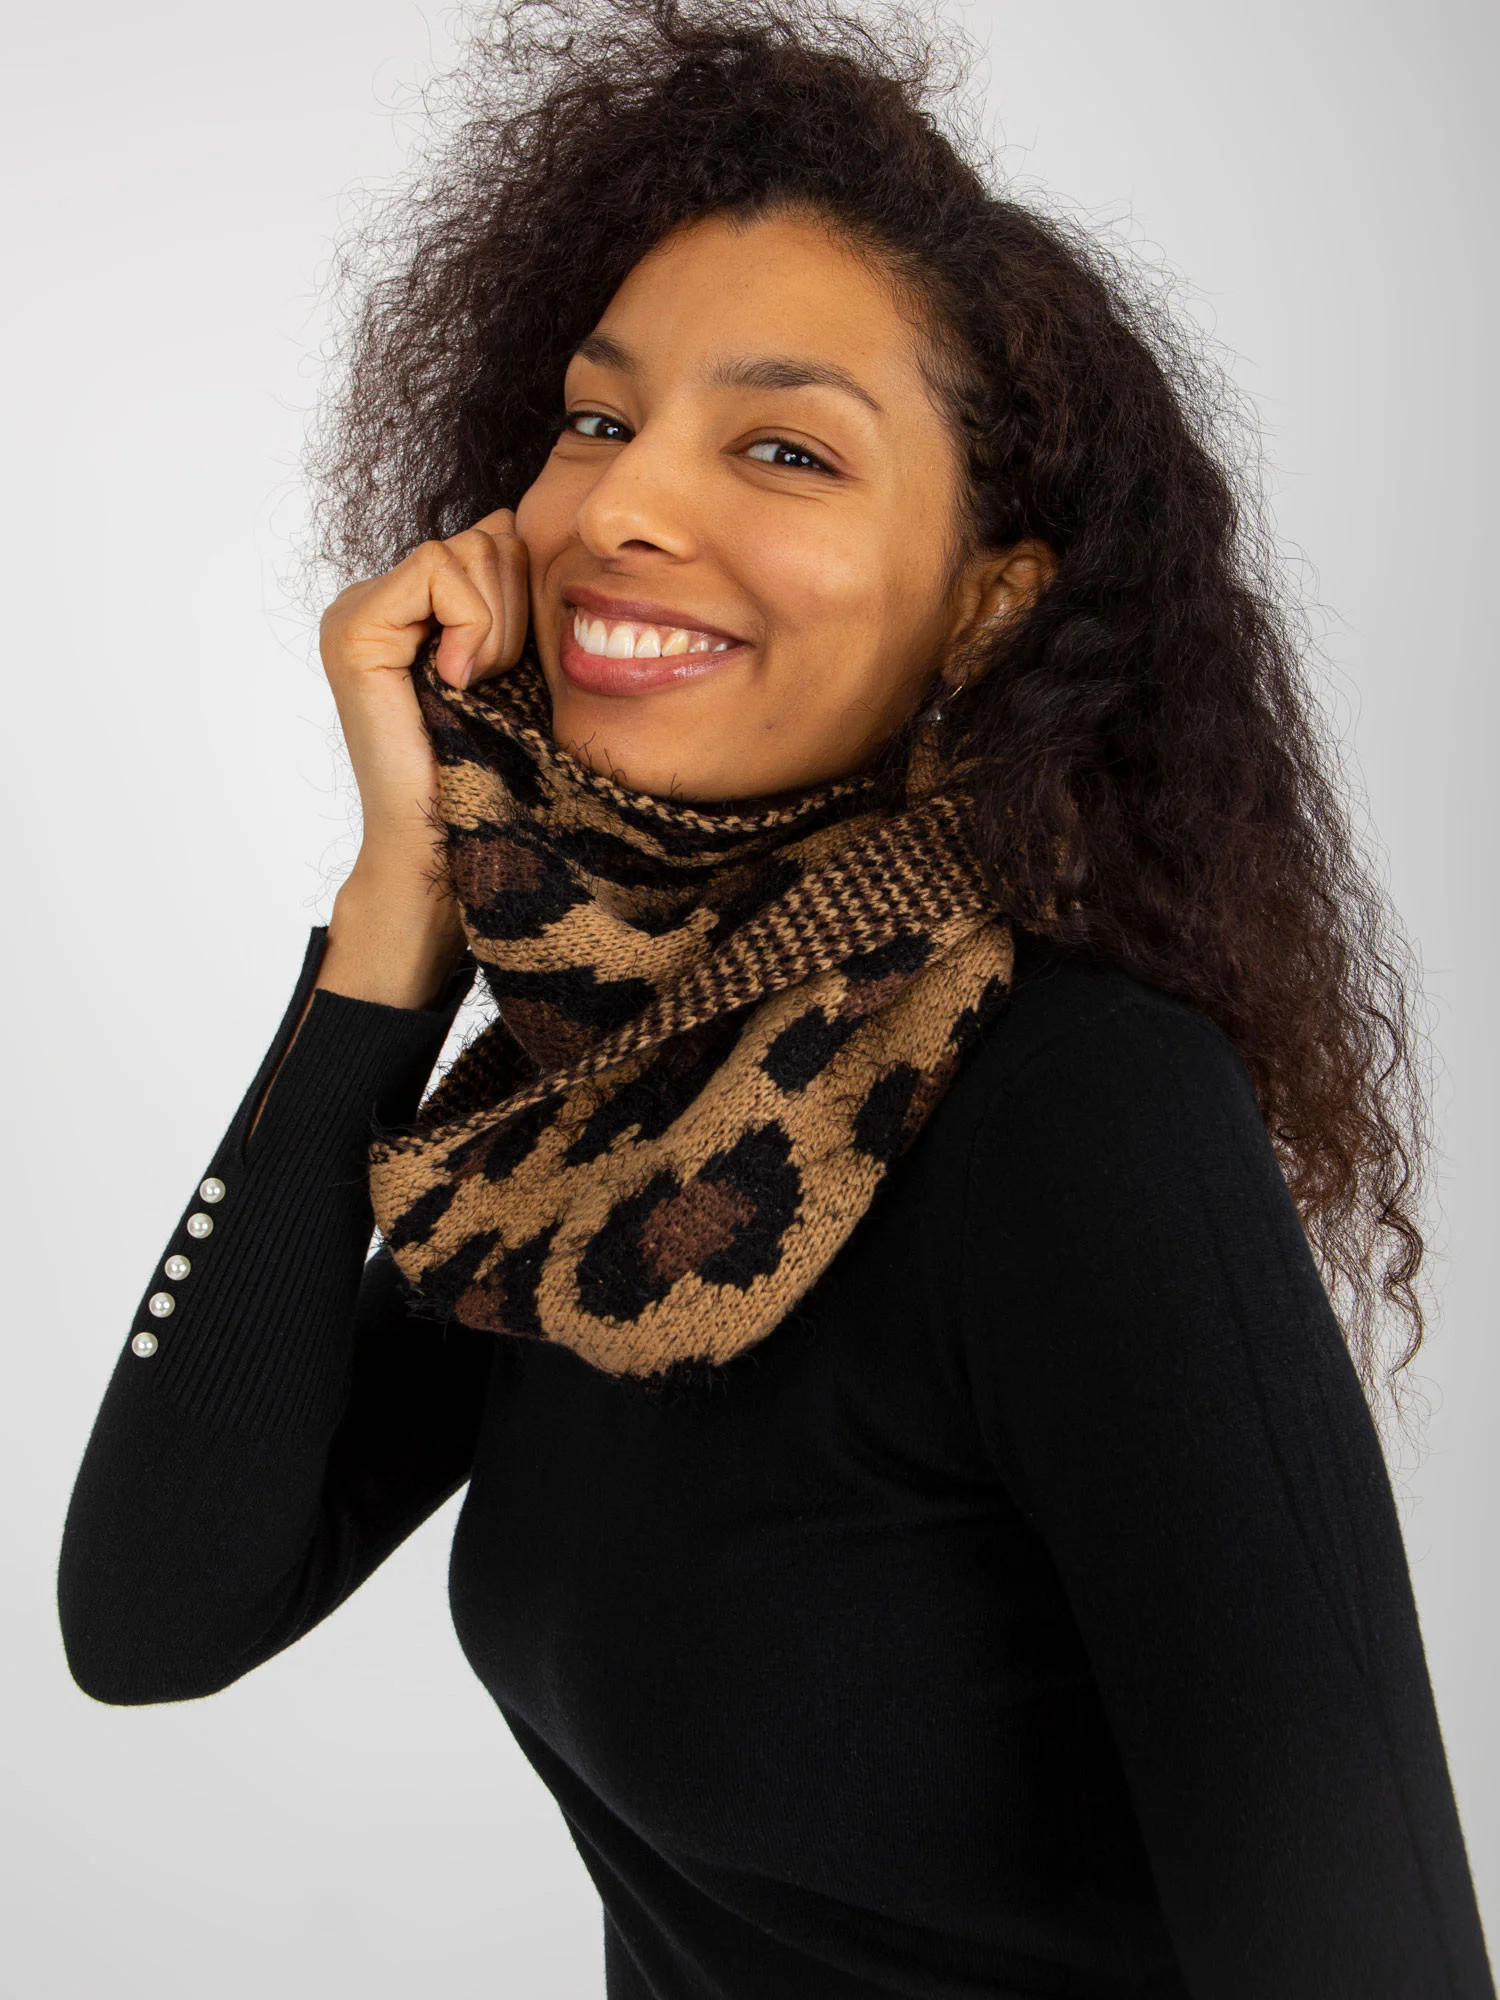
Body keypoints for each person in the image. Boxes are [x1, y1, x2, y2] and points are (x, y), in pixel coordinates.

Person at [56, 1, 1495, 1994]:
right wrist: (401, 906)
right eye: (595, 420)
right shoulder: (605, 1094)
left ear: (990, 599)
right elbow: (156, 1615)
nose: (618, 509)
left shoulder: (1081, 1111)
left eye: (786, 448)